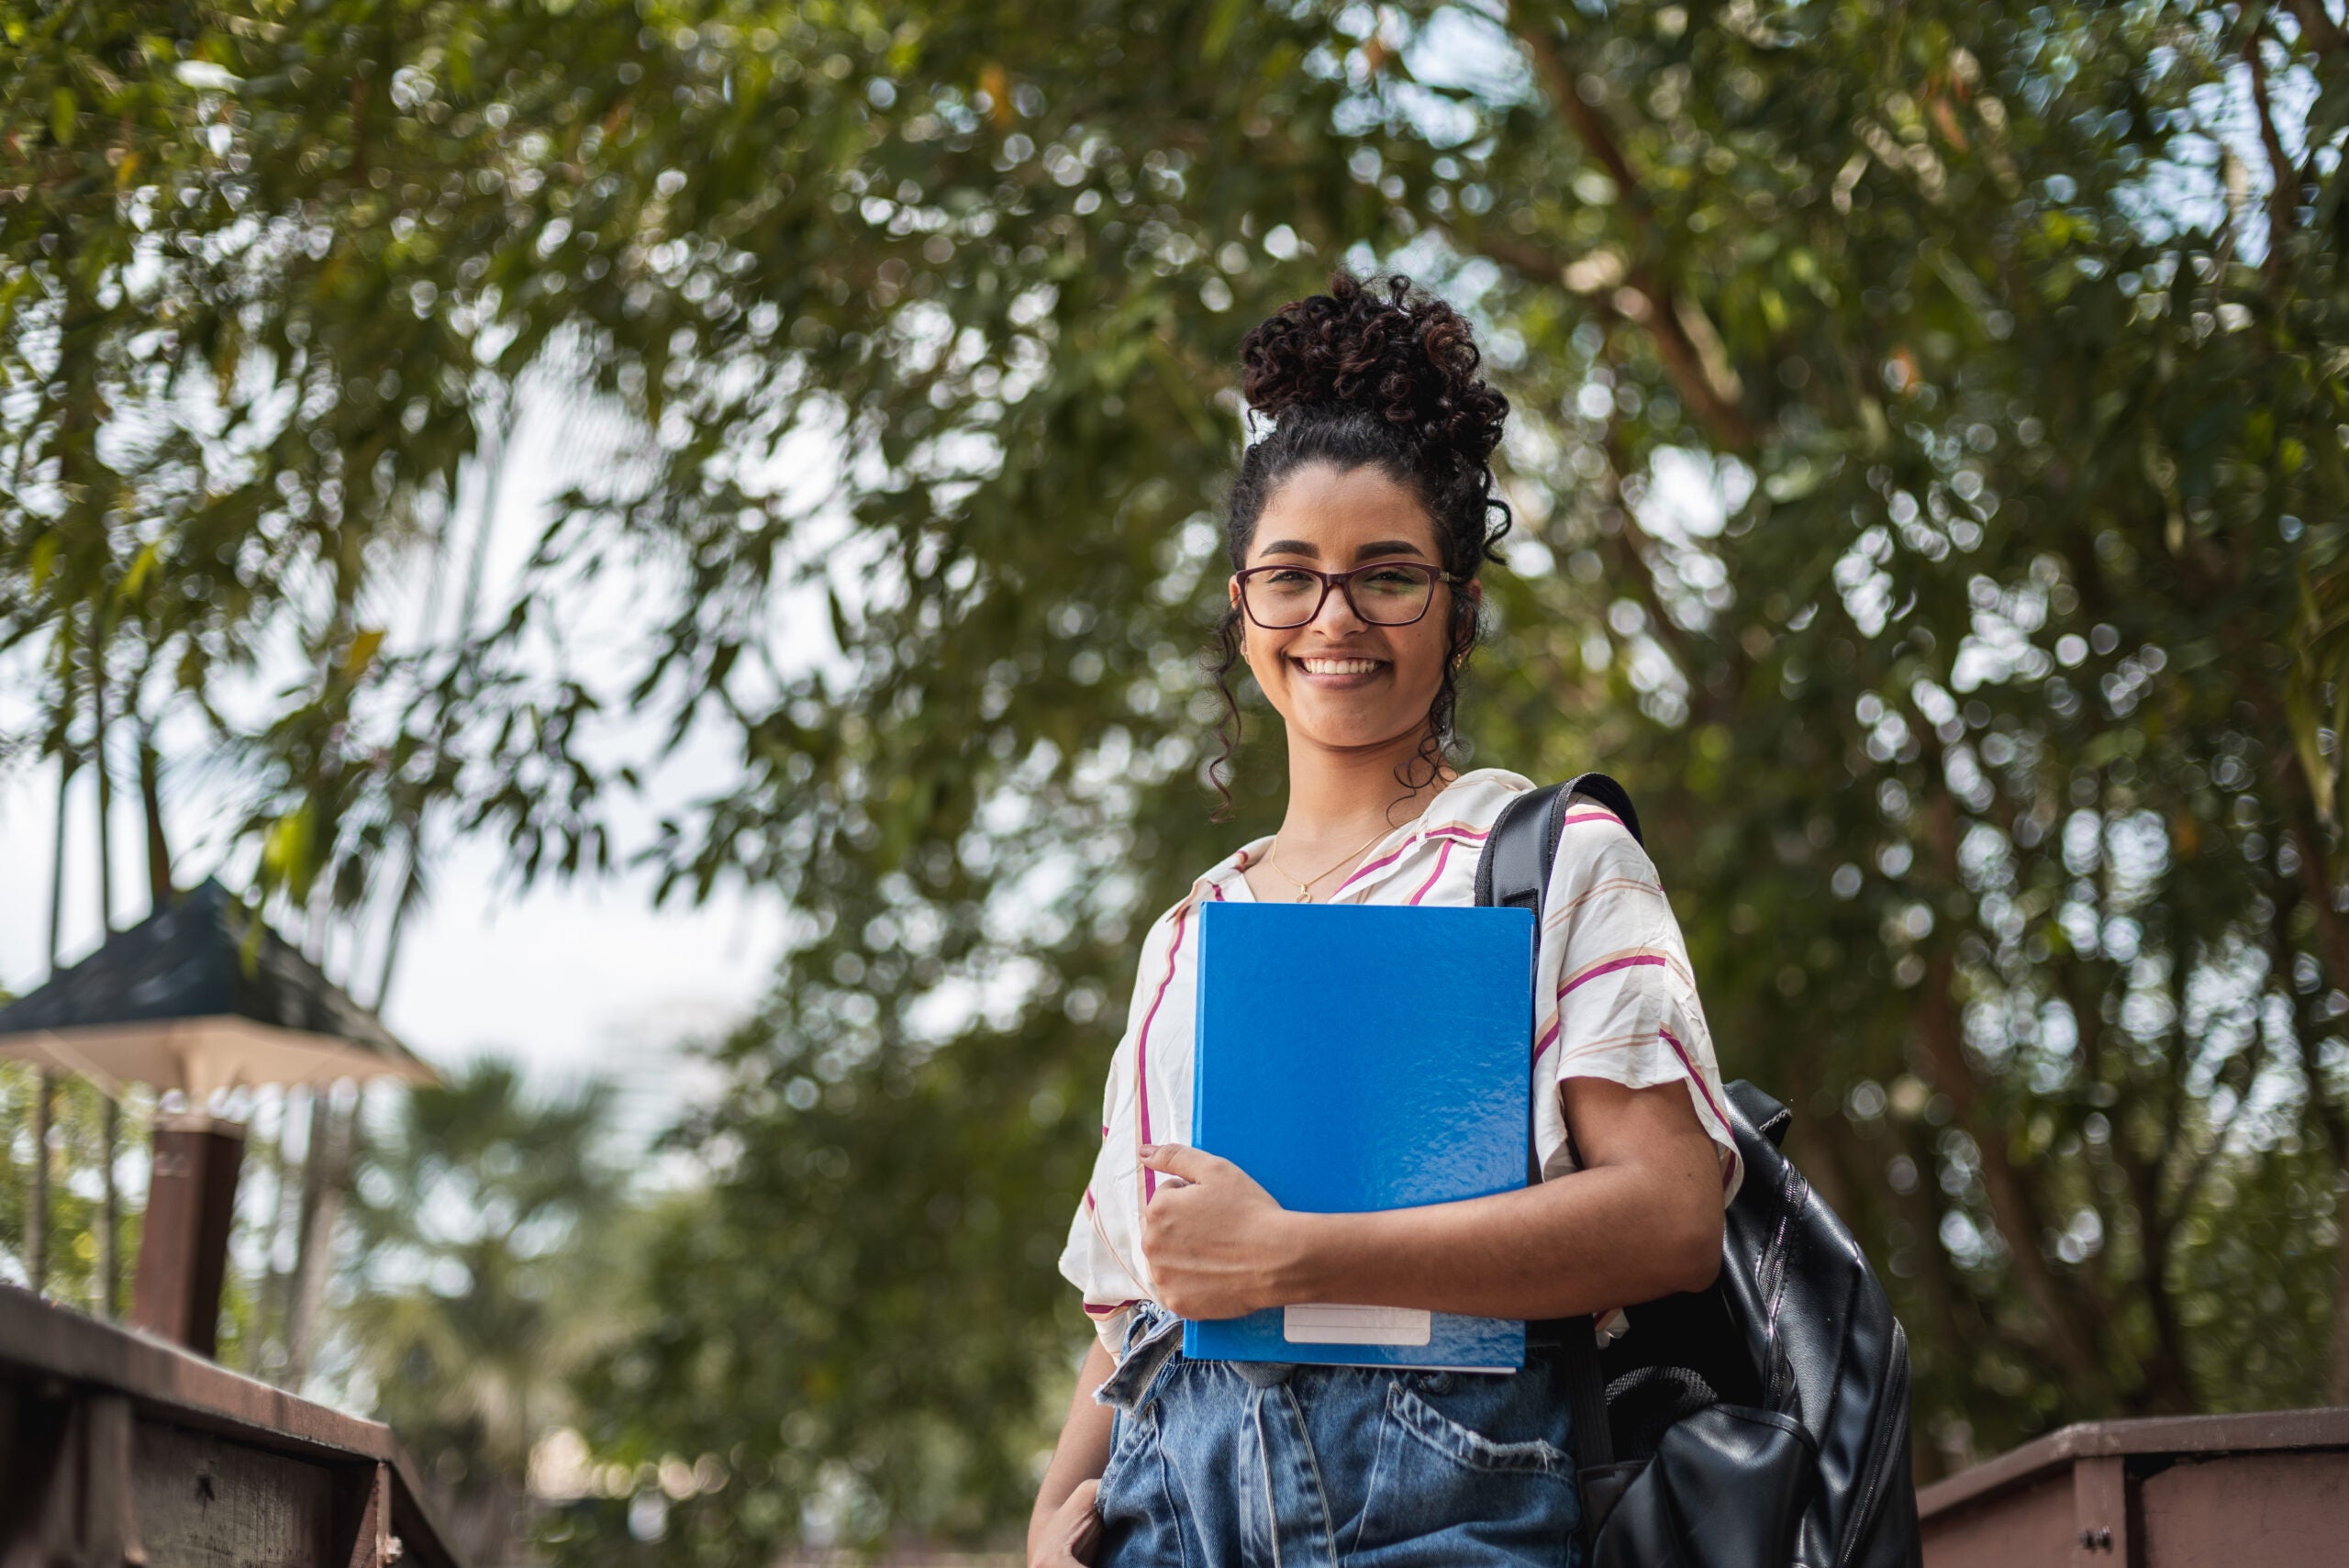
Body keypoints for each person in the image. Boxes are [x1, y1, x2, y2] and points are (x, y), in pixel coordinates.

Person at [1027, 273, 1740, 1568]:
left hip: (1445, 1514)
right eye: (1291, 578)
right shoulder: (1192, 934)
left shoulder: (1549, 860)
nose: (1336, 619)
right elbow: (1135, 1294)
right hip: (1161, 1518)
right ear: (1243, 608)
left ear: (1459, 606)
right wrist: (1048, 1511)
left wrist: (1298, 1254)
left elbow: (1673, 1215)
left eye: (1388, 576)